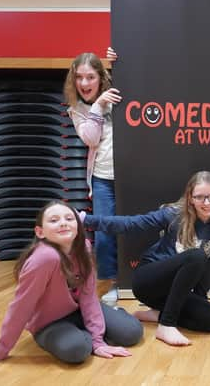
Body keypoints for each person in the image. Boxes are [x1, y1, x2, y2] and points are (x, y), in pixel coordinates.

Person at [81, 171, 210, 346]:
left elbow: (203, 271)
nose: (207, 203)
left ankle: (156, 314)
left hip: (172, 292)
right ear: (190, 198)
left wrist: (201, 304)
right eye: (200, 197)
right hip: (147, 282)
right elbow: (131, 224)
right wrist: (86, 220)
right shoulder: (173, 214)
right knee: (196, 256)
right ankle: (166, 325)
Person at [0, 201, 142, 365]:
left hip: (78, 311)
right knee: (77, 350)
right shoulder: (44, 258)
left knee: (132, 332)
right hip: (50, 323)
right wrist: (0, 352)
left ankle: (93, 328)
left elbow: (88, 297)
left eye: (69, 218)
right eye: (54, 220)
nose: (63, 223)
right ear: (40, 232)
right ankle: (78, 335)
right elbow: (21, 307)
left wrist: (97, 341)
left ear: (78, 226)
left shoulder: (84, 247)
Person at [64, 50, 122, 305]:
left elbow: (140, 78)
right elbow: (91, 138)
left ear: (101, 77)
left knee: (135, 227)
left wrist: (117, 60)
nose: (85, 83)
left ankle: (135, 279)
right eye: (79, 78)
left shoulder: (117, 95)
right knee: (105, 231)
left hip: (132, 174)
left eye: (90, 77)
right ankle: (114, 282)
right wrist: (98, 106)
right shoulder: (76, 110)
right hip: (102, 177)